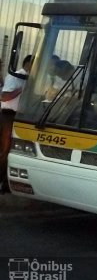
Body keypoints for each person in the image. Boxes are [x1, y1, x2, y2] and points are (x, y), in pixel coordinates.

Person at [0, 55, 33, 194]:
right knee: (5, 151)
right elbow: (4, 96)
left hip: (22, 118)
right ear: (28, 64)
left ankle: (8, 182)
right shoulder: (17, 76)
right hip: (9, 115)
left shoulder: (34, 78)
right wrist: (22, 89)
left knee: (14, 152)